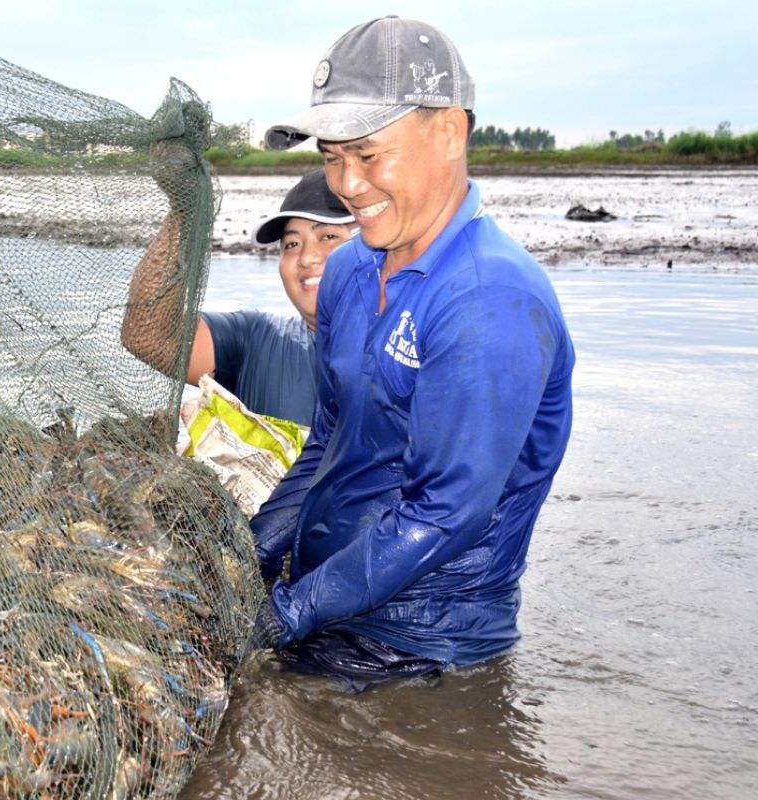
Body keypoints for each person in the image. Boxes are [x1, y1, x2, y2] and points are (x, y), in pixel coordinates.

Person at [248, 16, 576, 692]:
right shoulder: (348, 270)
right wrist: (247, 557)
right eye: (331, 156)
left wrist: (284, 615)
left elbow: (444, 513)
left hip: (419, 649)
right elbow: (328, 444)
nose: (346, 182)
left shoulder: (490, 300)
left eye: (367, 155)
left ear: (449, 131)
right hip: (323, 607)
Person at [121, 168, 353, 428]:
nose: (307, 258)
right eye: (292, 244)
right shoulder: (256, 339)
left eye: (329, 237)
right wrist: (183, 208)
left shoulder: (405, 348)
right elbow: (146, 334)